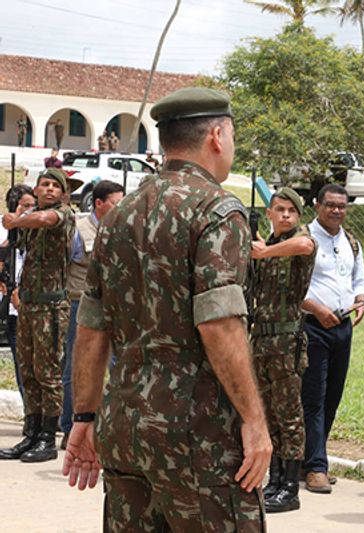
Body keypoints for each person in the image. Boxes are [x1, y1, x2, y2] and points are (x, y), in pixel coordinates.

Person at [61, 87, 271, 531]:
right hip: (198, 436)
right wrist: (254, 420)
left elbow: (92, 326)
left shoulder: (119, 215)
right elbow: (219, 324)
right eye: (232, 136)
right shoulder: (216, 210)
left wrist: (84, 415)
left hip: (125, 427)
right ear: (217, 136)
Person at [0, 168, 75, 463]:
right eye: (44, 184)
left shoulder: (63, 214)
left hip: (51, 307)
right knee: (28, 371)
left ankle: (46, 436)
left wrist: (15, 219)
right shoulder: (29, 218)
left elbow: (44, 219)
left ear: (64, 193)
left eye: (55, 186)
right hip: (29, 305)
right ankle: (30, 433)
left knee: (48, 373)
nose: (49, 189)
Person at [250, 187, 316, 513]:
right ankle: (274, 480)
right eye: (280, 209)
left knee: (290, 416)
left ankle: (290, 486)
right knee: (269, 415)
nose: (286, 215)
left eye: (292, 210)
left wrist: (264, 253)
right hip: (261, 342)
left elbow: (306, 245)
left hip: (286, 343)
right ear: (270, 213)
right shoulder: (269, 245)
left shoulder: (298, 242)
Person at [300, 183, 364, 493]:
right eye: (331, 205)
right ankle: (315, 468)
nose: (337, 210)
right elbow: (292, 285)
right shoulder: (304, 240)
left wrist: (362, 298)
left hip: (342, 327)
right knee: (313, 398)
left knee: (333, 397)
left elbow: (360, 277)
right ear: (318, 206)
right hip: (313, 325)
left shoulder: (350, 242)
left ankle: (313, 457)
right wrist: (317, 308)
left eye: (342, 205)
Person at [59, 180, 124, 450]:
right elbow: (63, 264)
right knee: (76, 368)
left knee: (117, 368)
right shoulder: (78, 229)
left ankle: (112, 430)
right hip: (81, 306)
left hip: (115, 308)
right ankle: (69, 426)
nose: (121, 208)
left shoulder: (122, 230)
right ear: (99, 203)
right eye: (116, 203)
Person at [0, 185, 36, 403]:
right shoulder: (4, 229)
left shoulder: (38, 229)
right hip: (10, 307)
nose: (30, 211)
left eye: (34, 206)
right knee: (21, 364)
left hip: (31, 306)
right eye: (26, 206)